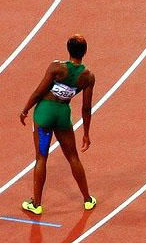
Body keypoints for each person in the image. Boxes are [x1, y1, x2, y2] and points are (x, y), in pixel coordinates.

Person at [19, 35, 97, 214]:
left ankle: (36, 205)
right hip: (63, 116)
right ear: (85, 52)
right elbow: (86, 108)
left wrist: (25, 109)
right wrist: (86, 133)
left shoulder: (57, 67)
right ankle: (87, 199)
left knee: (41, 158)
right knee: (73, 157)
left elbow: (39, 92)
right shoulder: (88, 76)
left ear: (68, 49)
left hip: (44, 114)